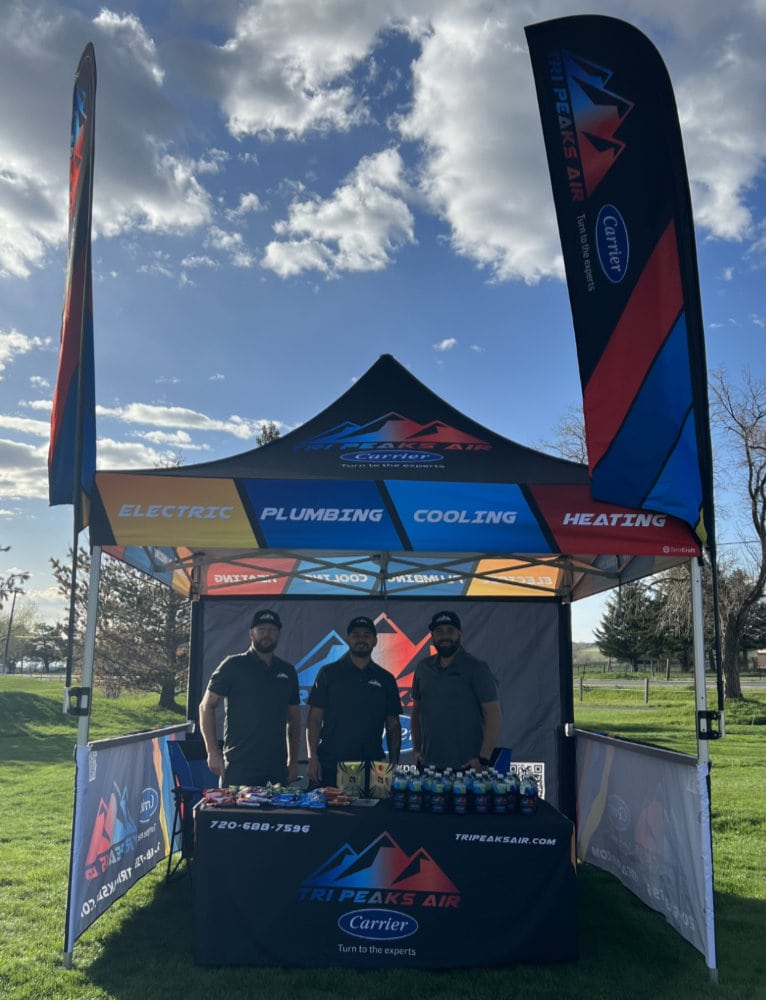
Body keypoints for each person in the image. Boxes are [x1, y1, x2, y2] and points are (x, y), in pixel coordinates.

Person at [198, 609, 301, 787]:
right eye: (261, 629)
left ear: (278, 634)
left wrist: (293, 762)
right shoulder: (232, 665)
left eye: (272, 630)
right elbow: (206, 706)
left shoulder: (287, 671)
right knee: (237, 815)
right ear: (251, 633)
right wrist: (212, 753)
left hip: (276, 768)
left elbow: (295, 720)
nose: (267, 634)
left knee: (277, 815)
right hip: (239, 766)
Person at [306, 616, 402, 786]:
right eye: (356, 635)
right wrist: (312, 757)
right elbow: (314, 719)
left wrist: (394, 764)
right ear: (348, 639)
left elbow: (393, 725)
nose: (361, 639)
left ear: (374, 641)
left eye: (366, 635)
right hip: (331, 764)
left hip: (371, 765)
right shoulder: (328, 673)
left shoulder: (386, 679)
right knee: (326, 812)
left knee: (373, 813)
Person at [410, 610, 501, 771]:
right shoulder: (423, 668)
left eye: (450, 631)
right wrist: (417, 750)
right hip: (429, 765)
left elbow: (493, 714)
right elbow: (416, 713)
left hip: (467, 767)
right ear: (432, 636)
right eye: (439, 632)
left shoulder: (476, 668)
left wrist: (484, 758)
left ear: (460, 633)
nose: (444, 636)